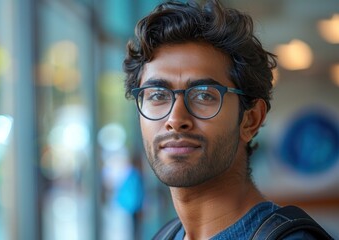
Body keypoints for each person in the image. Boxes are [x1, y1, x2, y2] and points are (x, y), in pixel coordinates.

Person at [123, 0, 333, 239]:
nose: (175, 119)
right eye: (158, 95)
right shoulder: (166, 235)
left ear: (250, 120)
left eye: (203, 95)